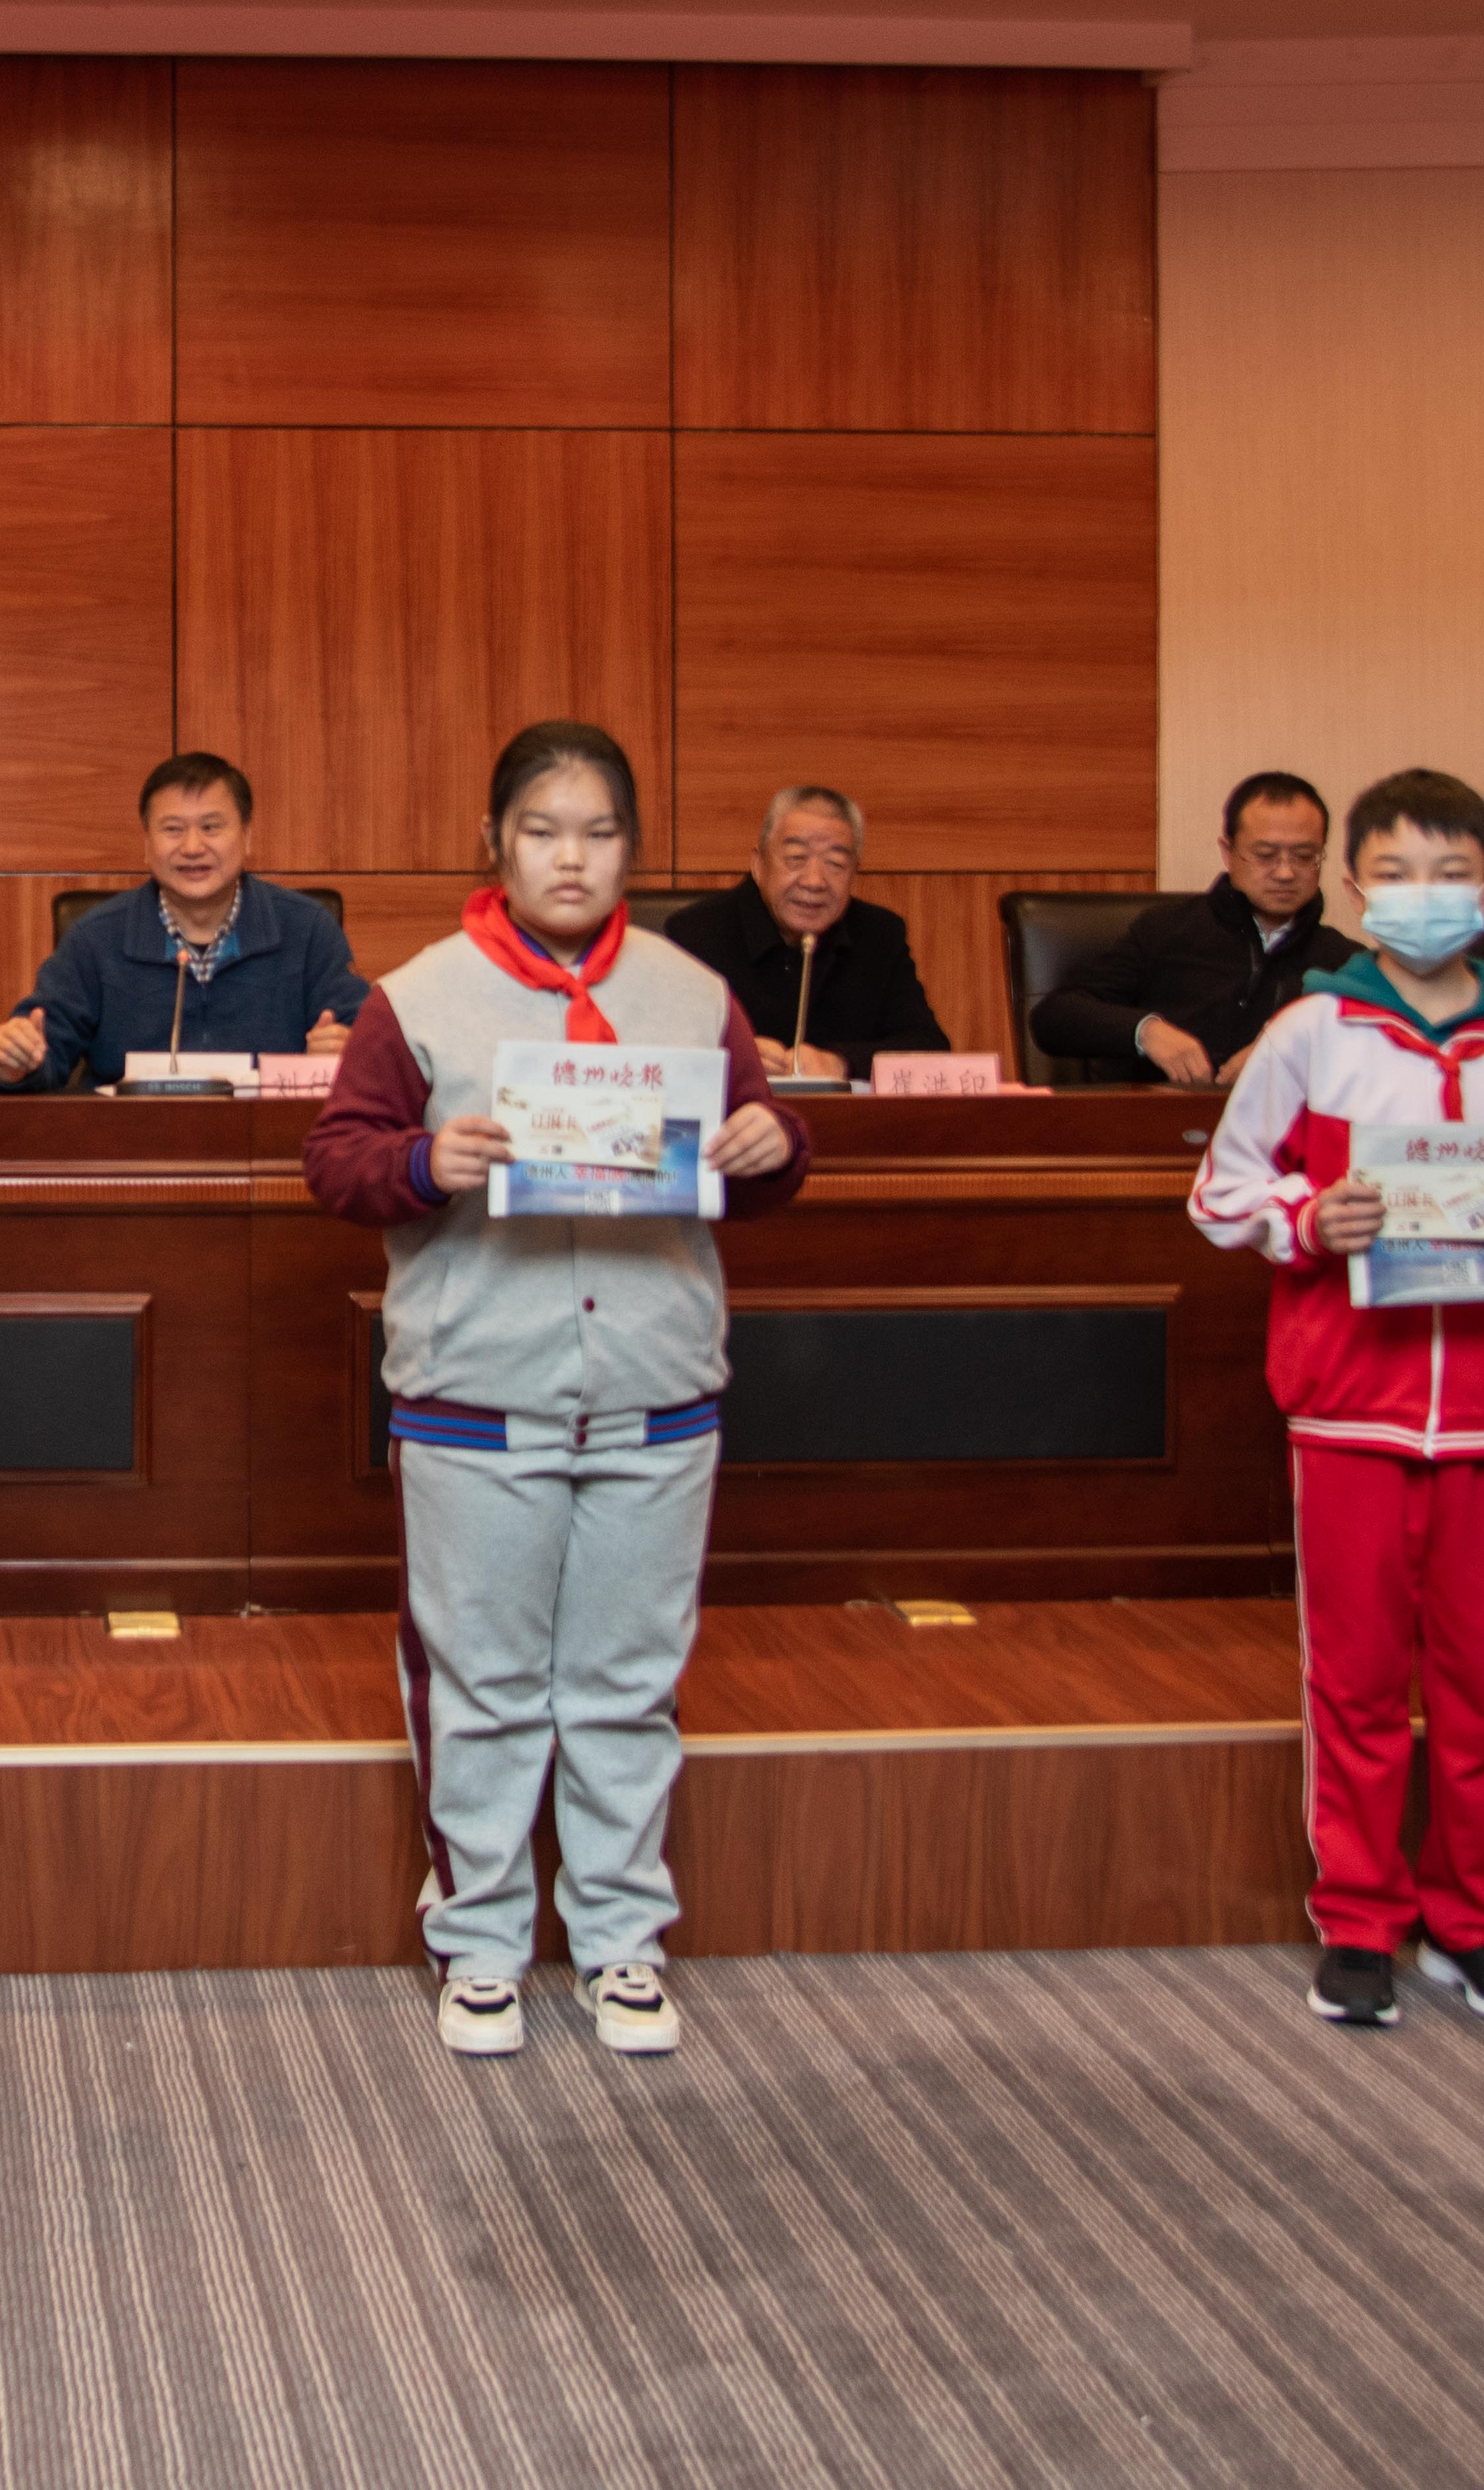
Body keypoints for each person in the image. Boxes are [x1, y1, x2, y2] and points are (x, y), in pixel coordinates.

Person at [300, 720, 810, 2063]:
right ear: (496, 844)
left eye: (597, 832)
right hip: (479, 1396)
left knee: (625, 1681)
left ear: (631, 849)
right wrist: (425, 1160)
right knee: (483, 1684)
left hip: (655, 1391)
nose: (569, 857)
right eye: (542, 831)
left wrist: (776, 1142)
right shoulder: (419, 995)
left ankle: (620, 1936)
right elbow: (336, 1160)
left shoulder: (692, 993)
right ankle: (479, 1938)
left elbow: (757, 1158)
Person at [1190, 769, 1484, 2036]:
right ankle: (1361, 1920)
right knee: (1358, 1682)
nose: (1424, 896)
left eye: (1450, 874)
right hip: (1351, 1407)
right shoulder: (1311, 1035)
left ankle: (1480, 1924)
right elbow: (1222, 1192)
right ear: (1356, 887)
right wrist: (1306, 1216)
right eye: (1395, 874)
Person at [0, 753, 367, 1090]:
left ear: (247, 837)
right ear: (147, 846)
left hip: (267, 1144)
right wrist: (15, 1063)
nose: (193, 847)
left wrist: (349, 1053)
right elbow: (42, 1053)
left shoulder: (307, 930)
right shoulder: (96, 939)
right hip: (131, 1144)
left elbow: (371, 1051)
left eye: (211, 827)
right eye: (173, 830)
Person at [1032, 772, 1359, 1089]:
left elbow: (1372, 1057)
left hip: (1285, 1124)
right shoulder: (1166, 930)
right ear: (1228, 852)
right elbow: (1055, 1017)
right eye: (1265, 855)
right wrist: (1147, 1031)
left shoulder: (1347, 963)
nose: (1286, 873)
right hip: (1166, 1118)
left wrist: (1293, 1048)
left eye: (1304, 856)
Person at [651, 784, 947, 1081]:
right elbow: (658, 1047)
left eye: (836, 864)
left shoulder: (879, 934)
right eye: (796, 858)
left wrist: (842, 1063)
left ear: (854, 874)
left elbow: (928, 1048)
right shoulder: (697, 934)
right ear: (759, 865)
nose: (814, 881)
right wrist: (735, 1056)